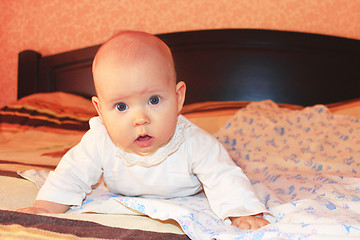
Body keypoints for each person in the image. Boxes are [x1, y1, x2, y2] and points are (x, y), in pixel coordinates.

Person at [18, 30, 270, 230]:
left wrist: (243, 213)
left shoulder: (195, 143)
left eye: (153, 100)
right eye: (121, 106)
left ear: (178, 97)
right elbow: (72, 173)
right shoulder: (100, 139)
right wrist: (46, 208)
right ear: (100, 110)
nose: (140, 119)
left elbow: (222, 176)